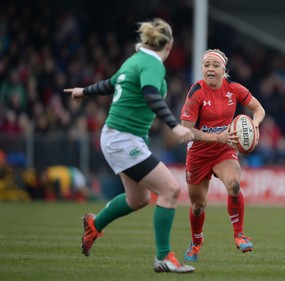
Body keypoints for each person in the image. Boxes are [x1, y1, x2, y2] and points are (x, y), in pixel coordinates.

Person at [64, 18, 195, 273]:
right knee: (170, 190)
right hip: (124, 138)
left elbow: (110, 84)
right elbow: (150, 94)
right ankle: (163, 257)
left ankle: (94, 224)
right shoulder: (152, 64)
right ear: (169, 45)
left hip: (120, 137)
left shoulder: (133, 60)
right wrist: (174, 125)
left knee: (139, 198)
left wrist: (85, 91)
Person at [180, 49, 265, 262]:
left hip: (224, 150)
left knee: (234, 185)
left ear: (223, 70)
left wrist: (253, 126)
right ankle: (196, 243)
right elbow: (186, 132)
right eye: (206, 65)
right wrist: (218, 137)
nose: (210, 69)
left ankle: (239, 234)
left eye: (215, 65)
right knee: (198, 206)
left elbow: (259, 109)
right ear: (202, 69)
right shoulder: (196, 93)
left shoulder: (234, 89)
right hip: (199, 154)